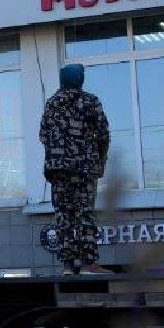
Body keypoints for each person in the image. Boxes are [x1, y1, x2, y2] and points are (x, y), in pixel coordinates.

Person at [39, 63, 112, 274]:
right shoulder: (90, 101)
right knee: (84, 213)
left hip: (58, 170)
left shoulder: (51, 104)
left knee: (63, 215)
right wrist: (100, 160)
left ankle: (68, 266)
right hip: (84, 168)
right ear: (79, 79)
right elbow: (103, 134)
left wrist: (59, 152)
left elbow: (43, 135)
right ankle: (88, 263)